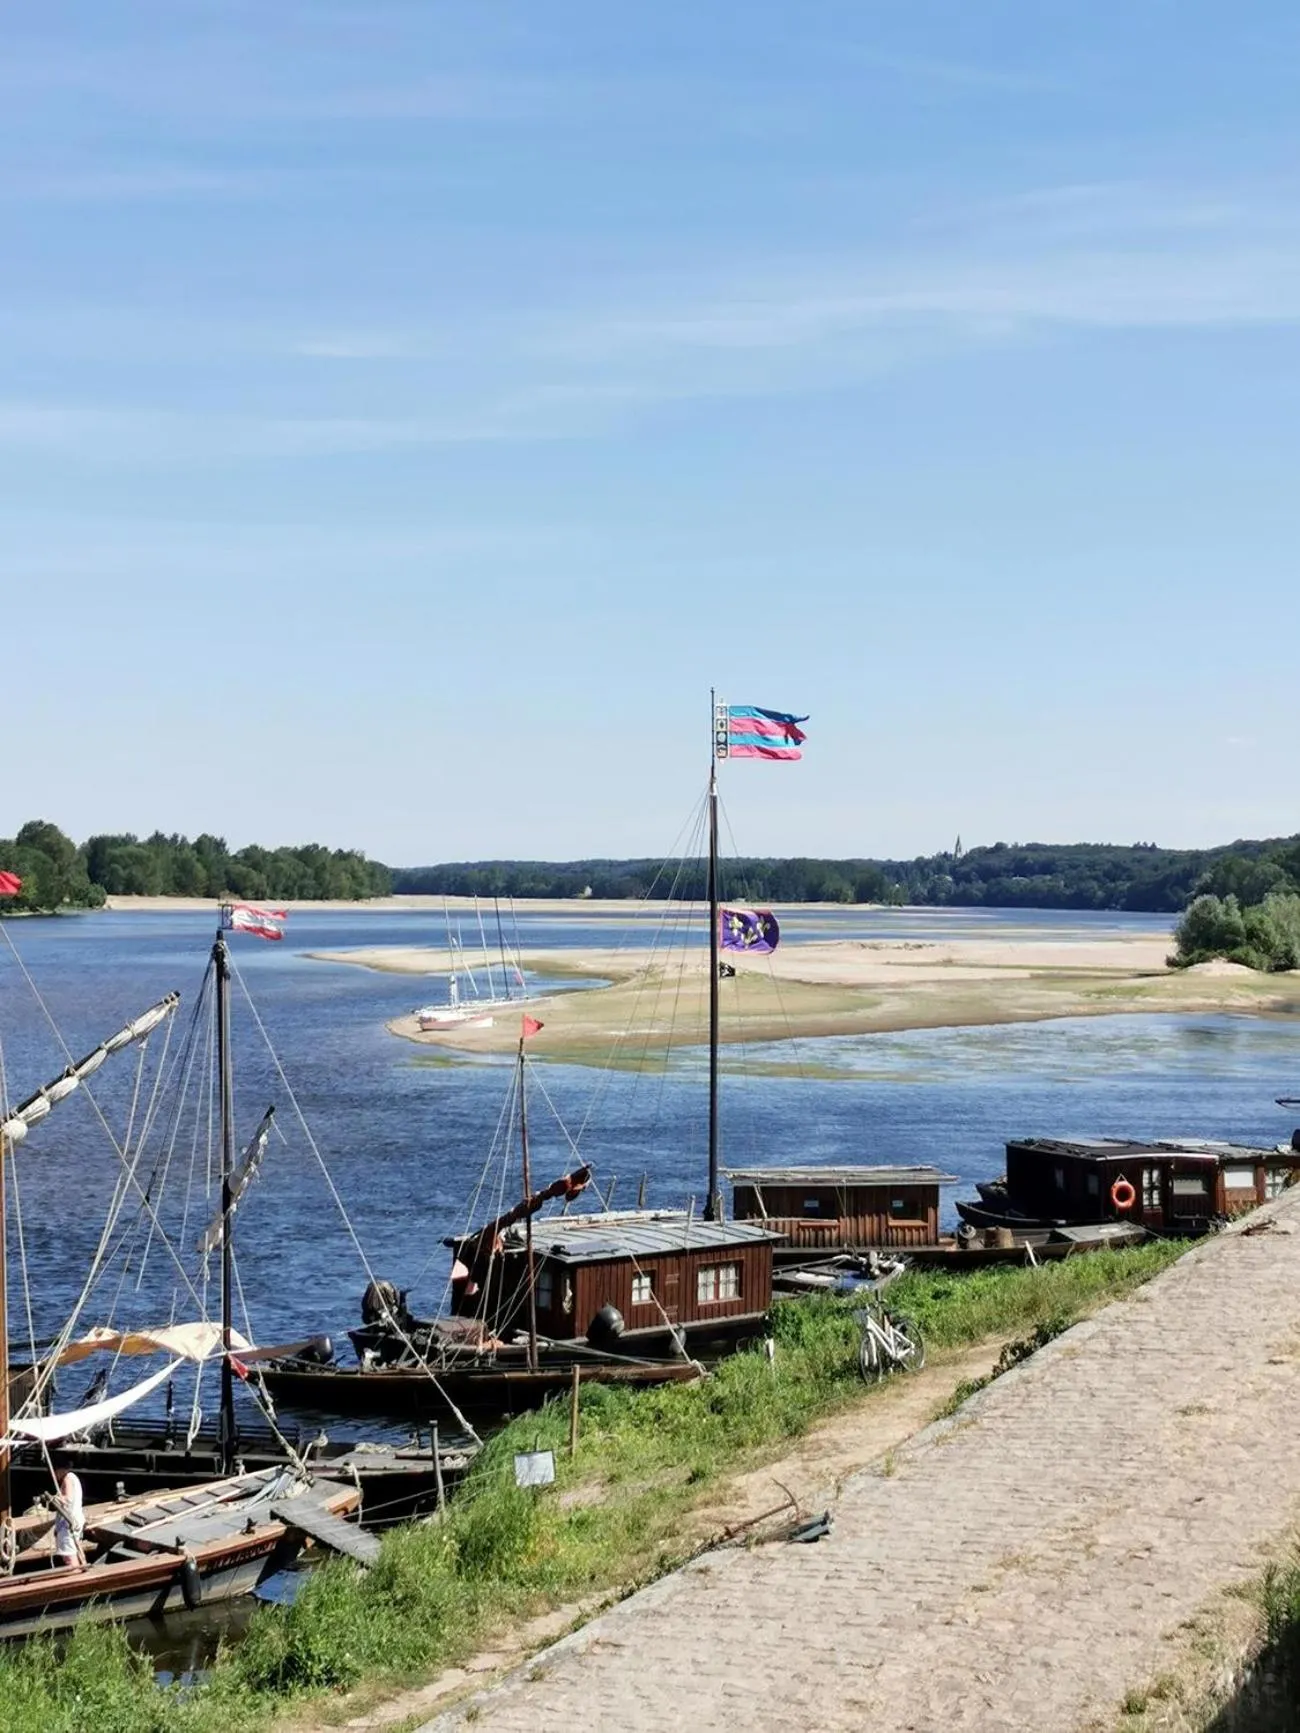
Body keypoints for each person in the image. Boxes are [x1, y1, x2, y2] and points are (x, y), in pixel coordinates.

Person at [50, 1452, 85, 1570]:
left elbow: (68, 1499)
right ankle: (79, 1569)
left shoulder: (67, 1479)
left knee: (69, 1555)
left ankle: (75, 1575)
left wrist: (54, 1498)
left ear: (59, 1469)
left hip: (69, 1522)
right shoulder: (74, 1477)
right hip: (76, 1518)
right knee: (73, 1549)